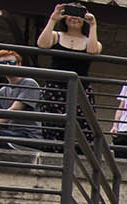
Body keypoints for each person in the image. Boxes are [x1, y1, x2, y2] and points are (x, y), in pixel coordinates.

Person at [36, 2, 102, 135]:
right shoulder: (56, 35)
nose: (74, 18)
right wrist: (53, 19)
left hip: (80, 89)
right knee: (53, 125)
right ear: (64, 17)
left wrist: (93, 25)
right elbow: (42, 44)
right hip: (55, 87)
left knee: (82, 127)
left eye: (79, 15)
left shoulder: (89, 40)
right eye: (70, 14)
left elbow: (93, 50)